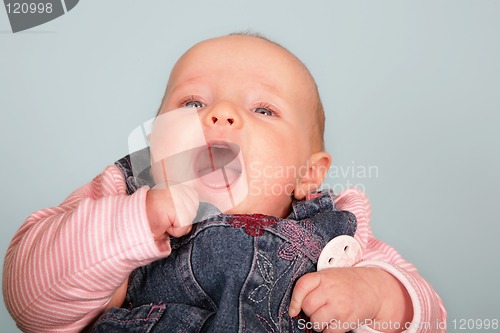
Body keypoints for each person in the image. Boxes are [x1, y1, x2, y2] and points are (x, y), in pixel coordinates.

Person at [3, 34, 446, 333]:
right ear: (156, 141)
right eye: (193, 101)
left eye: (263, 109)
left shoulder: (341, 239)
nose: (221, 114)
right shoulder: (122, 199)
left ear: (307, 175)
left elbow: (432, 317)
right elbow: (29, 304)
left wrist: (376, 293)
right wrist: (131, 224)